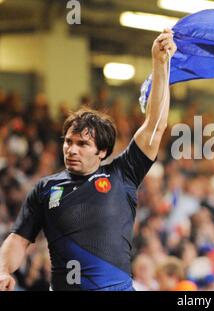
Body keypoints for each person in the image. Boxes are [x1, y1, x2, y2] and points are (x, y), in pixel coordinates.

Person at [0, 29, 176, 291]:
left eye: (83, 144)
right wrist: (2, 269)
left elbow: (155, 126)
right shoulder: (45, 189)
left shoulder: (122, 174)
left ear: (102, 151)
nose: (72, 149)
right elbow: (18, 239)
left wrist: (160, 64)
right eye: (68, 142)